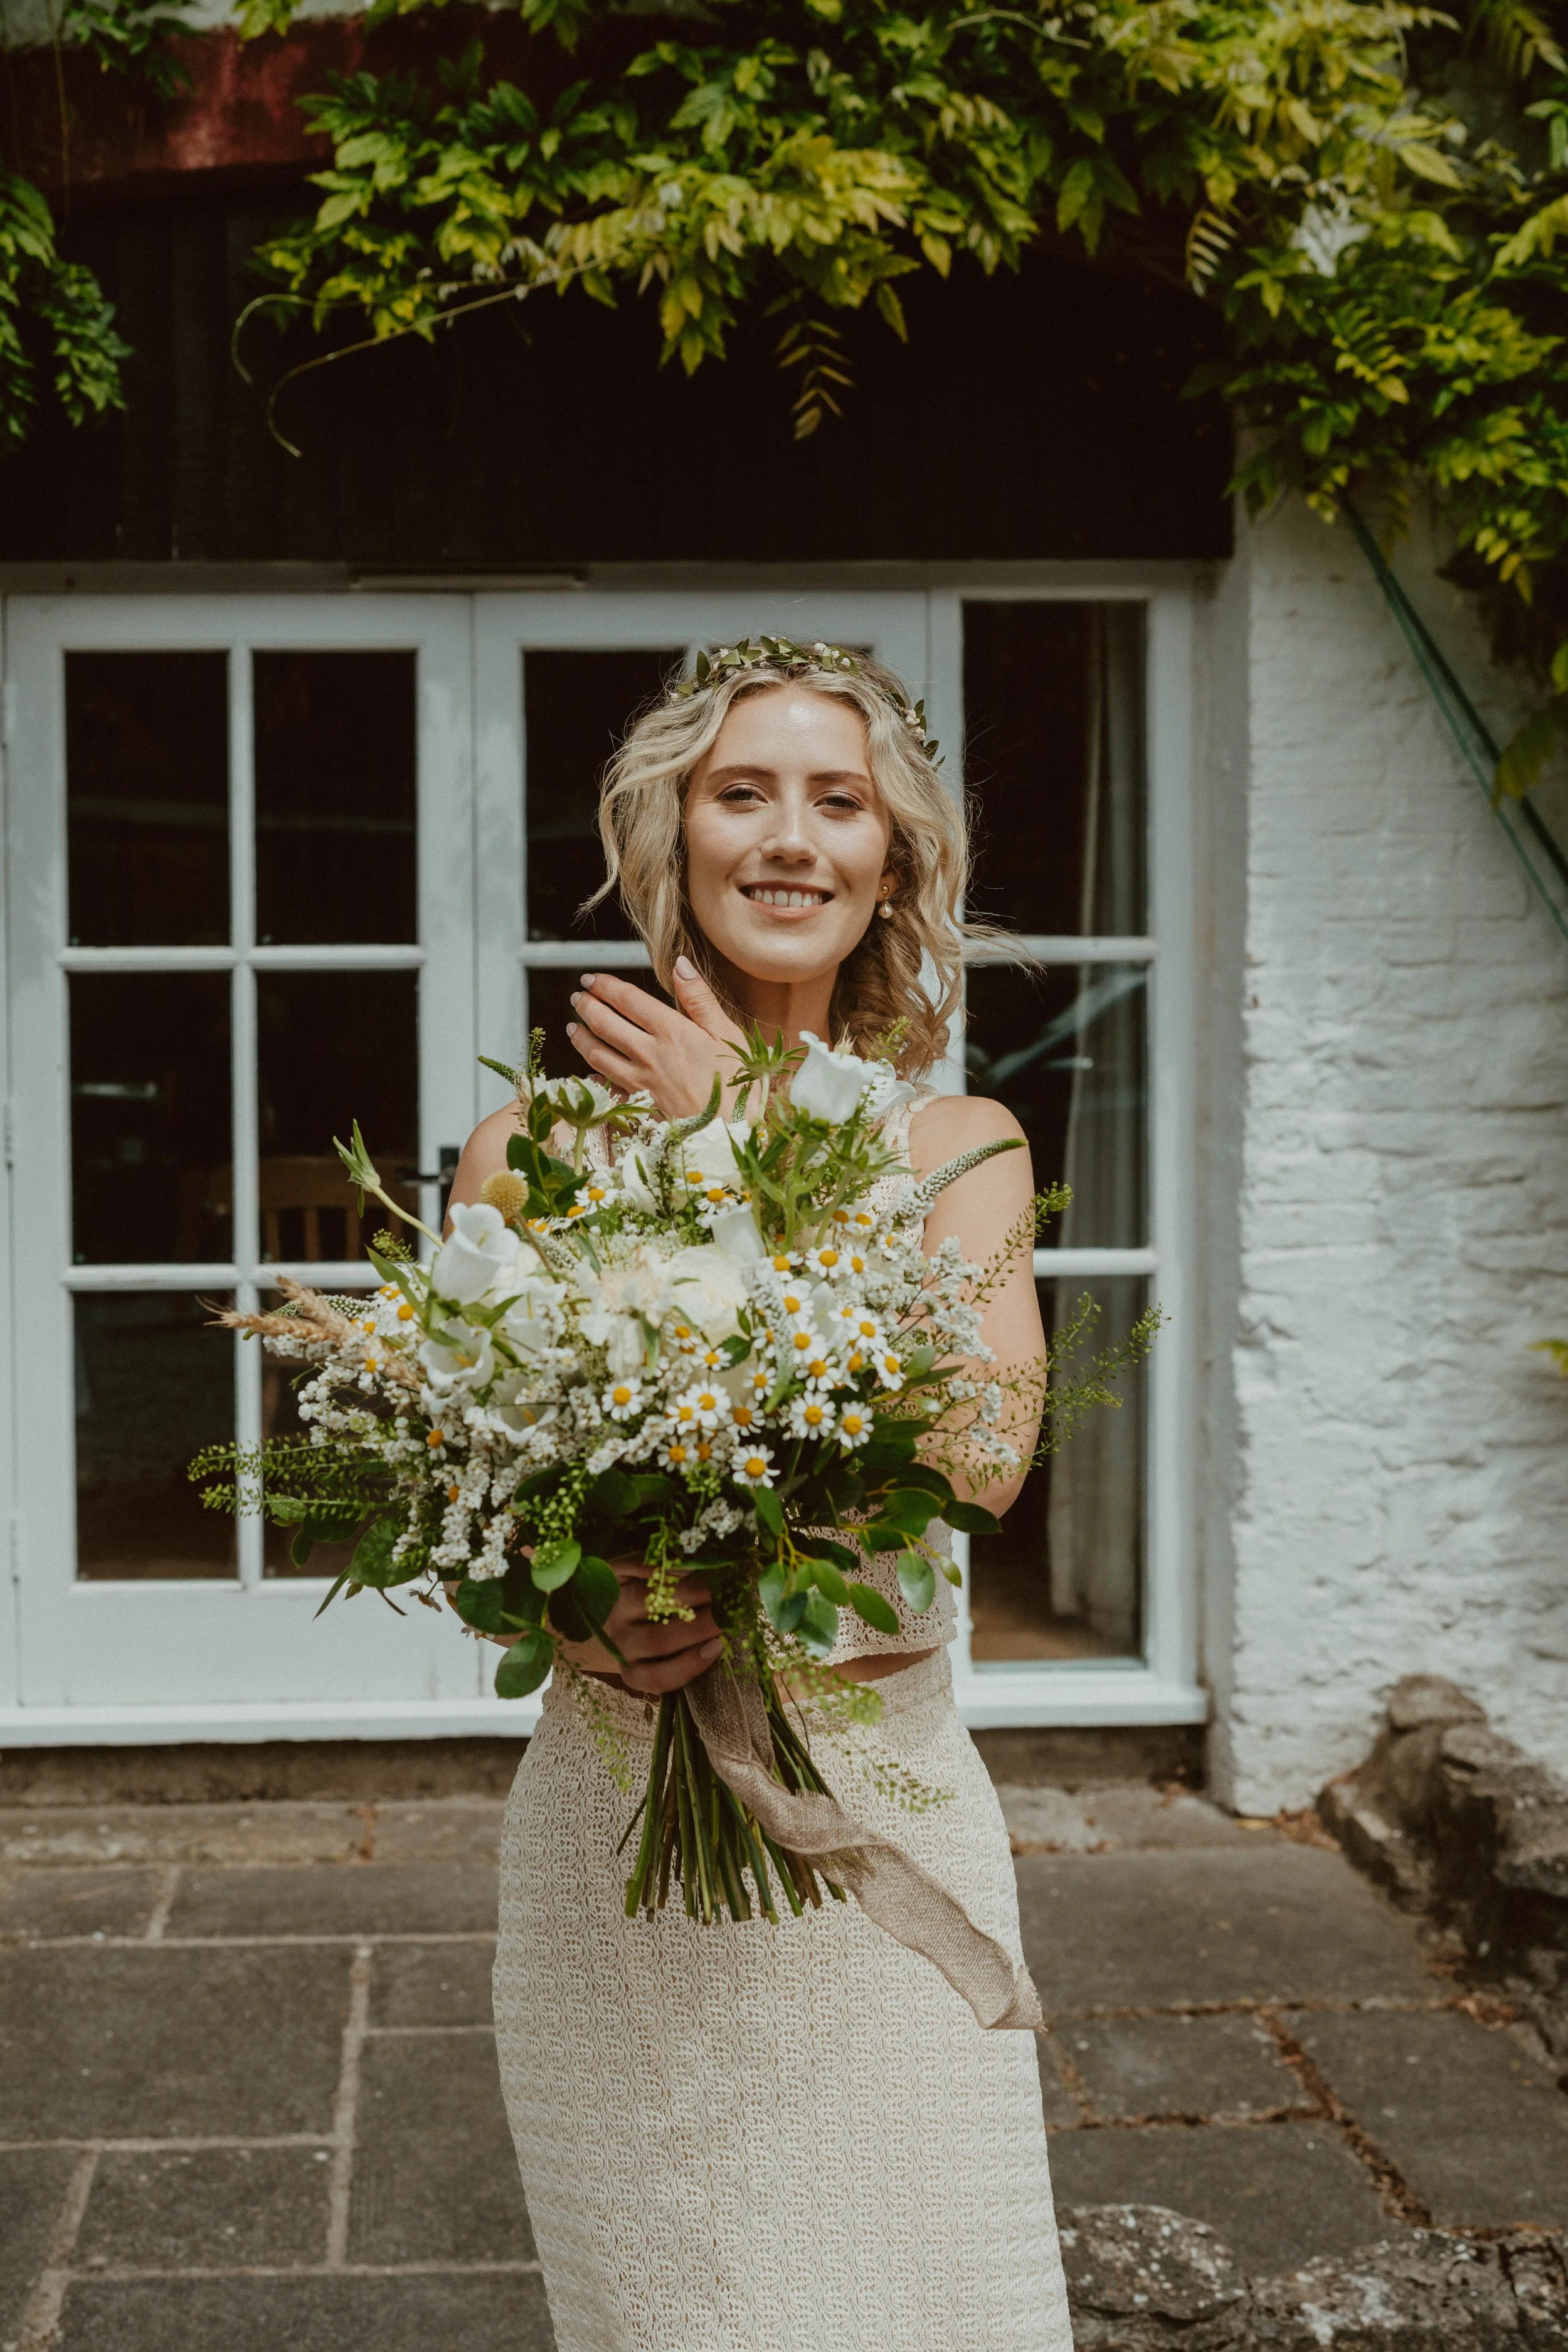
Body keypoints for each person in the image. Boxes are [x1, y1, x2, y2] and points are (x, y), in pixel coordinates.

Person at [447, 642, 1074, 2352]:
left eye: (836, 799)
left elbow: (979, 1452)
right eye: (742, 793)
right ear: (672, 834)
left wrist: (732, 1149)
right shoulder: (530, 1156)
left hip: (878, 1812)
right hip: (617, 1837)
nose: (788, 836)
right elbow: (475, 1517)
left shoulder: (962, 1148)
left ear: (890, 861)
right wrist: (573, 1607)